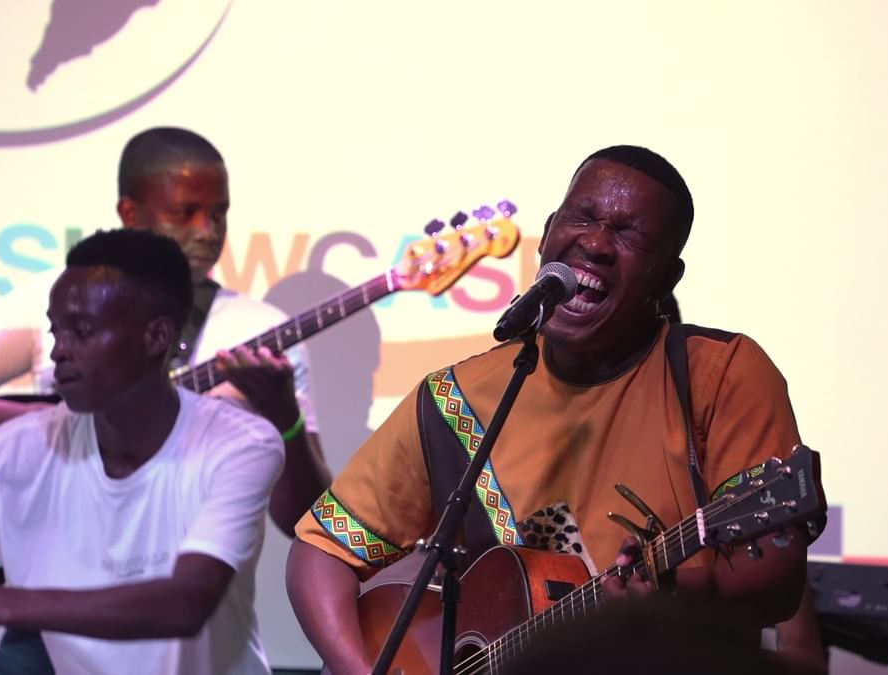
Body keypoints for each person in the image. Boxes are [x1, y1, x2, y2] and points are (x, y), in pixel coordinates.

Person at [285, 145, 826, 674]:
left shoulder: (721, 373)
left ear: (667, 277)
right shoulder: (456, 397)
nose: (596, 242)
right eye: (582, 217)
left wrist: (664, 604)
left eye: (630, 235)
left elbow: (775, 582)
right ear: (546, 234)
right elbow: (322, 550)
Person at [0, 126, 330, 672]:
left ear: (158, 337)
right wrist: (31, 417)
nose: (207, 231)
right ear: (130, 211)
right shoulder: (18, 442)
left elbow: (188, 601)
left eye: (218, 214)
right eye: (186, 212)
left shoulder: (244, 426)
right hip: (42, 632)